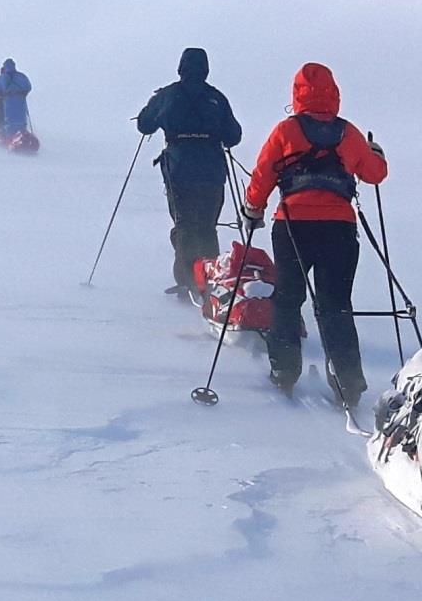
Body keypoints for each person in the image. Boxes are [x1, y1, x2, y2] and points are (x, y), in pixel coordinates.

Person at [242, 61, 388, 407]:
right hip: (339, 228)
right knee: (336, 304)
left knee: (289, 299)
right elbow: (375, 175)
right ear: (334, 95)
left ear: (297, 95)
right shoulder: (348, 133)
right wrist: (376, 154)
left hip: (293, 225)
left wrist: (253, 210)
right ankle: (349, 383)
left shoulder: (286, 131)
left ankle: (284, 372)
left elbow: (263, 174)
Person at [137, 48, 242, 299]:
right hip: (212, 169)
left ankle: (188, 281)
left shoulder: (167, 95)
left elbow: (144, 125)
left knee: (184, 223)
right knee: (207, 225)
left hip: (179, 168)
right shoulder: (216, 97)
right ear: (206, 68)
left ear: (181, 67)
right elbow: (233, 137)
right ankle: (209, 278)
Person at [0, 58, 32, 138]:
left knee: (9, 119)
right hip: (21, 101)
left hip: (8, 101)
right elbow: (28, 86)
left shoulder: (3, 77)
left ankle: (9, 135)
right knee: (20, 118)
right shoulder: (21, 76)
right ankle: (23, 132)